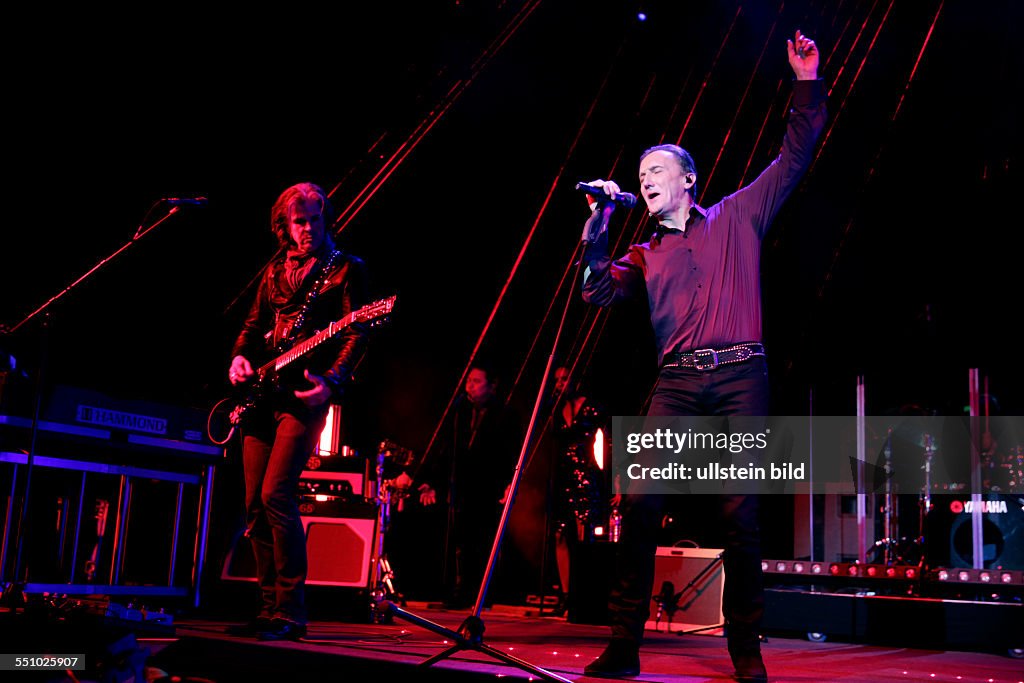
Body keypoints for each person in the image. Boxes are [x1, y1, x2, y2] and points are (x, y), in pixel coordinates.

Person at [578, 32, 825, 682]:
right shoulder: (643, 253)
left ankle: (745, 648)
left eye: (656, 171)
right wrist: (598, 226)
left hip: (742, 374)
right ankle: (624, 645)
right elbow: (596, 291)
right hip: (678, 384)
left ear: (688, 179)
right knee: (637, 505)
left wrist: (805, 80)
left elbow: (796, 155)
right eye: (639, 177)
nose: (645, 181)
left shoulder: (737, 216)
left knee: (739, 514)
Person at [227, 182, 369, 640]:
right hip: (262, 395)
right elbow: (252, 328)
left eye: (315, 218)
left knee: (276, 495)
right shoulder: (273, 271)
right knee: (253, 505)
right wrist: (239, 358)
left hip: (303, 397)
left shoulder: (345, 268)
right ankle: (268, 610)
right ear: (285, 226)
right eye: (300, 221)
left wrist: (332, 381)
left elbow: (356, 332)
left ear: (326, 217)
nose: (309, 228)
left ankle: (292, 611)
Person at [409, 363, 523, 608]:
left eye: (476, 381)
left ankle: (483, 593)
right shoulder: (460, 412)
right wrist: (431, 481)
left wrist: (510, 484)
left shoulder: (506, 415)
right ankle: (458, 590)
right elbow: (444, 449)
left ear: (492, 386)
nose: (469, 386)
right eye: (468, 380)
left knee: (484, 542)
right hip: (461, 487)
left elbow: (513, 454)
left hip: (489, 487)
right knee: (460, 540)